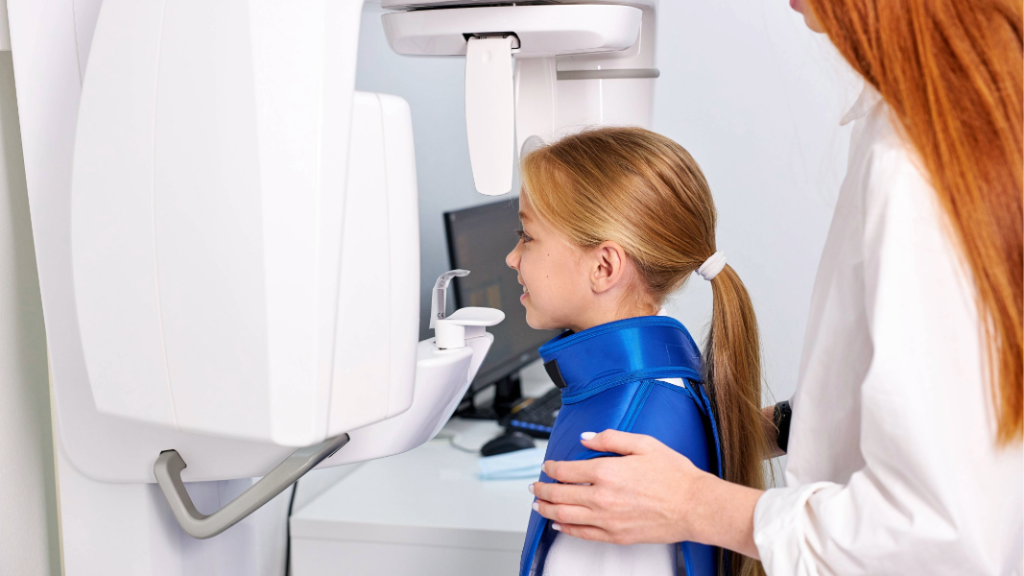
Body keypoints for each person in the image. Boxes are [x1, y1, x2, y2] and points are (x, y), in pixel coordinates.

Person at [528, 1, 1024, 574]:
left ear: (606, 264)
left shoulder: (919, 168)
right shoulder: (928, 123)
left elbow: (935, 536)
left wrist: (696, 504)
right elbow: (944, 397)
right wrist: (749, 428)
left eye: (527, 234)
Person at [507, 127, 771, 576]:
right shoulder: (668, 380)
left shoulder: (617, 456)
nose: (513, 258)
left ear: (604, 266)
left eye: (526, 236)